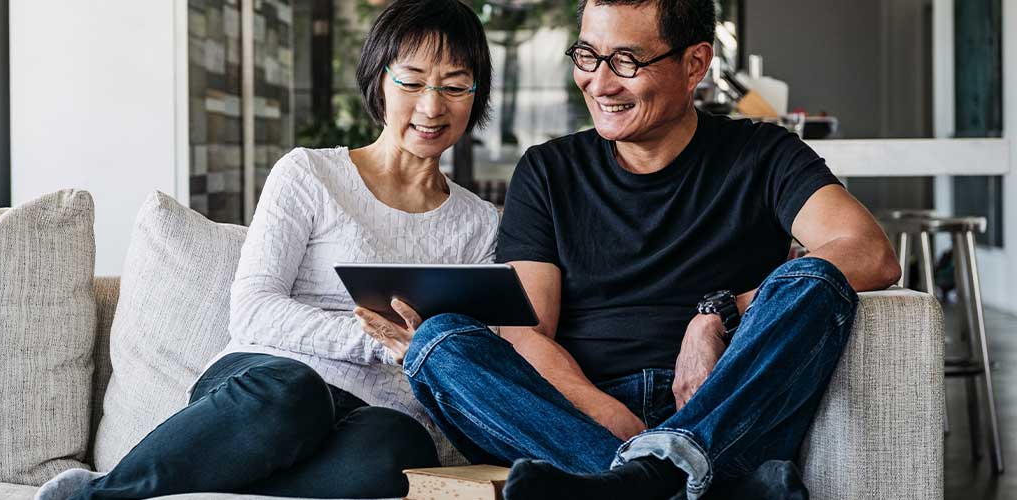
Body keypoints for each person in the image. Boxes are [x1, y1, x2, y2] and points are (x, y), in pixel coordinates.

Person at [356, 1, 901, 499]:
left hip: (725, 400)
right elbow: (528, 332)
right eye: (588, 56)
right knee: (440, 341)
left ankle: (638, 480)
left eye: (626, 62)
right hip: (578, 412)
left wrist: (719, 314)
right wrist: (607, 414)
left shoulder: (762, 153)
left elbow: (870, 254)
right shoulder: (549, 171)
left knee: (811, 279)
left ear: (695, 64)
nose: (599, 83)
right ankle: (688, 480)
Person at [33, 1, 497, 499]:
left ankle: (208, 476)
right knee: (295, 394)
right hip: (264, 388)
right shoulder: (309, 174)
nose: (432, 106)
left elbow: (470, 347)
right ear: (379, 79)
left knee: (398, 449)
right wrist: (379, 341)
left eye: (454, 85)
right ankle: (103, 494)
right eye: (411, 81)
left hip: (373, 416)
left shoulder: (481, 224)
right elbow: (253, 311)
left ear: (476, 95)